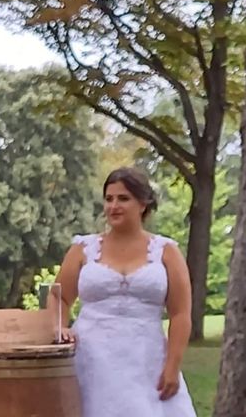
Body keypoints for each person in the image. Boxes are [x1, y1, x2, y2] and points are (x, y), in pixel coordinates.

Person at [55, 167, 197, 417]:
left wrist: (172, 367)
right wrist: (60, 327)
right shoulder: (82, 249)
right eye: (109, 199)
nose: (113, 206)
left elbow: (180, 314)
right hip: (90, 357)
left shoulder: (166, 252)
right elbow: (60, 298)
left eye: (123, 198)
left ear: (143, 204)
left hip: (146, 359)